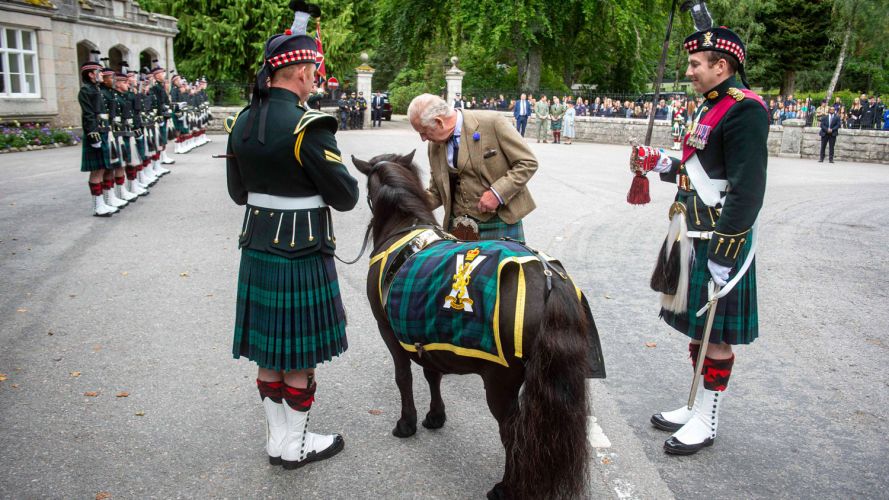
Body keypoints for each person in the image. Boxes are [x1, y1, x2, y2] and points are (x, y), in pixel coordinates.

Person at [225, 1, 359, 470]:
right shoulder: (309, 125)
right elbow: (345, 196)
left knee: (268, 350)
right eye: (313, 71)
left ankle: (278, 438)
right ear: (301, 73)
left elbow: (238, 193)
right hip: (302, 249)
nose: (315, 79)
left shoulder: (241, 121)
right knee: (298, 355)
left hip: (258, 245)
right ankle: (296, 446)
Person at [631, 26, 768, 455]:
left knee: (717, 335)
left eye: (695, 64)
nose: (689, 71)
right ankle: (695, 405)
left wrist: (726, 253)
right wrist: (660, 163)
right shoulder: (710, 107)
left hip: (719, 238)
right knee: (698, 329)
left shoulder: (745, 110)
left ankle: (707, 420)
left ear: (721, 66)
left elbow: (747, 189)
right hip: (691, 230)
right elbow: (698, 169)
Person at [407, 93, 538, 242]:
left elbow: (527, 162)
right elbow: (436, 192)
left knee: (505, 266)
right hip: (457, 228)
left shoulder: (492, 122)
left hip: (499, 223)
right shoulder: (434, 146)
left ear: (439, 122)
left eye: (423, 132)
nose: (423, 139)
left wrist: (497, 193)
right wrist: (406, 203)